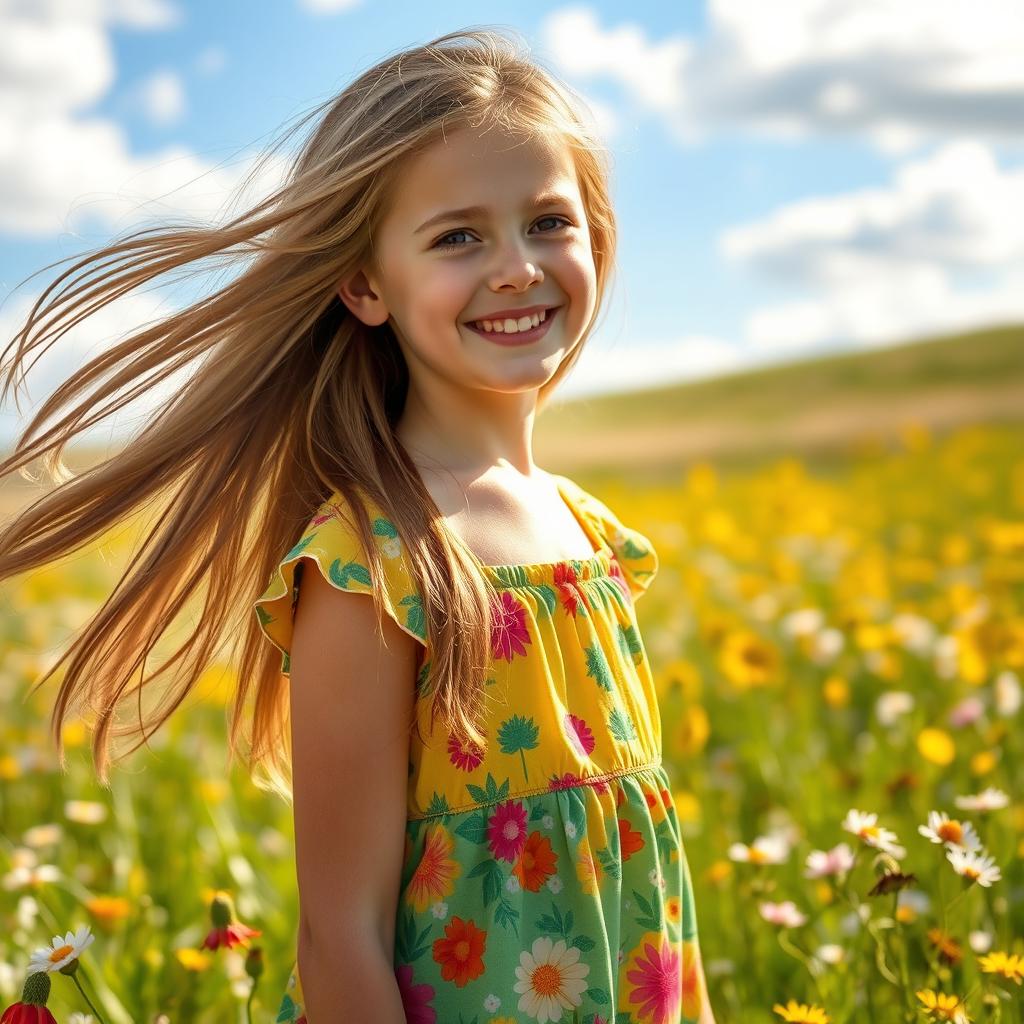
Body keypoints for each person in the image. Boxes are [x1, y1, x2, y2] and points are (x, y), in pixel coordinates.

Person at [0, 26, 715, 1024]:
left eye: (548, 221)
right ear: (364, 285)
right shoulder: (367, 566)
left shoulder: (597, 540)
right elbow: (339, 935)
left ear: (597, 237)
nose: (515, 267)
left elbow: (658, 897)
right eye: (458, 236)